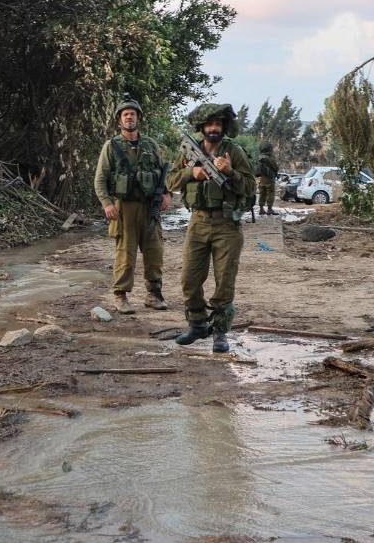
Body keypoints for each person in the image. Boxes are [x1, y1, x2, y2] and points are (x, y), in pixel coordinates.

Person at [166, 103, 255, 353]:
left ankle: (219, 332)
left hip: (227, 224)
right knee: (189, 279)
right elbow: (170, 181)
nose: (213, 128)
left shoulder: (233, 152)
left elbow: (250, 187)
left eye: (218, 124)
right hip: (198, 222)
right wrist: (191, 173)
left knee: (224, 281)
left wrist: (230, 172)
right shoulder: (188, 151)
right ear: (202, 127)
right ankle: (197, 325)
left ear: (223, 126)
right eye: (209, 124)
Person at [93, 96, 171, 314]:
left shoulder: (151, 145)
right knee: (125, 255)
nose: (129, 117)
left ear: (138, 118)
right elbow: (100, 178)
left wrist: (167, 195)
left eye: (133, 114)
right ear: (120, 120)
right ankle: (120, 295)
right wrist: (107, 203)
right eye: (125, 114)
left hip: (149, 207)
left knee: (155, 252)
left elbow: (162, 173)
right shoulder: (112, 146)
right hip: (124, 208)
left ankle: (154, 295)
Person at [256, 141, 279, 215]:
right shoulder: (270, 157)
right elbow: (275, 167)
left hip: (262, 179)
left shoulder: (259, 157)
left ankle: (261, 209)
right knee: (270, 194)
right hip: (270, 179)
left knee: (262, 194)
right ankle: (269, 209)